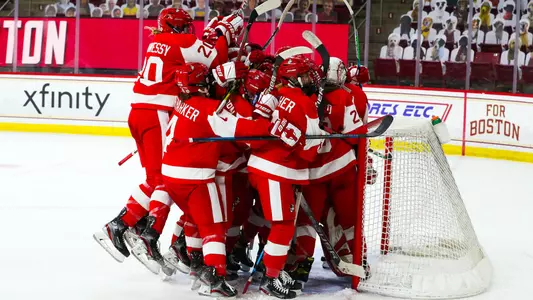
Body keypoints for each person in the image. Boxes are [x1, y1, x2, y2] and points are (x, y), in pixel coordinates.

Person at [93, 7, 233, 269]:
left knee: (154, 178)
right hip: (157, 113)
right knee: (162, 179)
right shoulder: (182, 41)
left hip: (139, 112)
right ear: (179, 28)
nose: (189, 31)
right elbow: (217, 59)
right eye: (186, 26)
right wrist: (222, 33)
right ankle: (131, 228)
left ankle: (128, 226)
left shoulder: (158, 41)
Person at [247, 56, 327, 298]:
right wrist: (321, 139)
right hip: (276, 171)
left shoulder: (273, 95)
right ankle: (270, 279)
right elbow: (310, 155)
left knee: (274, 221)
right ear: (294, 78)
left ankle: (271, 270)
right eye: (304, 75)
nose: (309, 79)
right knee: (282, 225)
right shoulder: (305, 104)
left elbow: (256, 124)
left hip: (260, 168)